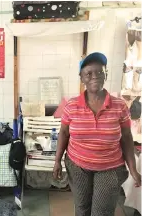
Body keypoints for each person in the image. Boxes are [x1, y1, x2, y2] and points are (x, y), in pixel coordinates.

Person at [53, 52, 141, 216]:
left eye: (100, 72)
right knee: (82, 208)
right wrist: (57, 161)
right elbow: (64, 133)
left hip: (110, 168)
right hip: (77, 166)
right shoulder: (71, 106)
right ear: (82, 78)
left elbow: (127, 137)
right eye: (89, 73)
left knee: (101, 212)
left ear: (106, 74)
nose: (95, 76)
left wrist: (133, 168)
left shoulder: (119, 106)